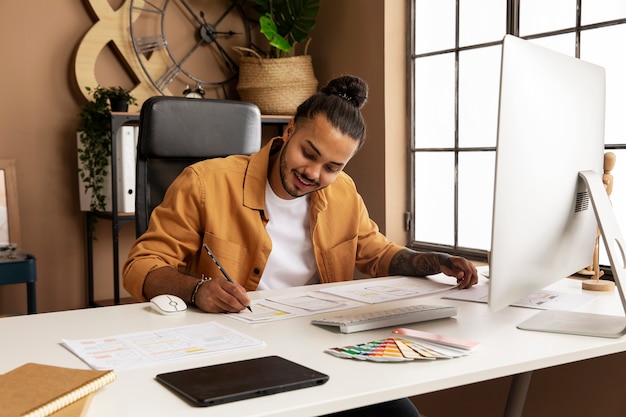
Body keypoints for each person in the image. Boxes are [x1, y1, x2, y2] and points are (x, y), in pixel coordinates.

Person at [123, 74, 478, 417]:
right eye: (309, 153)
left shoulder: (343, 193)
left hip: (320, 349)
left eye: (332, 167)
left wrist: (434, 261)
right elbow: (140, 267)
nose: (313, 173)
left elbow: (377, 253)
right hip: (233, 352)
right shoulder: (205, 182)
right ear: (290, 130)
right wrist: (198, 288)